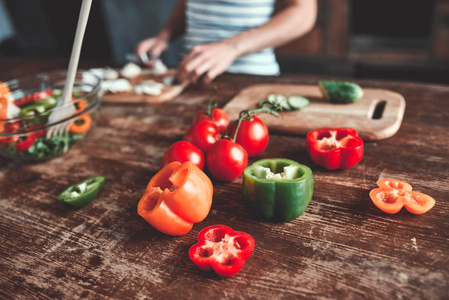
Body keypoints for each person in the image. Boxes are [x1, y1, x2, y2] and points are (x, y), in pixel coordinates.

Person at [137, 0, 317, 84]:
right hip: (187, 78)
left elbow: (304, 12)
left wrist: (230, 48)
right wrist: (164, 37)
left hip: (249, 81)